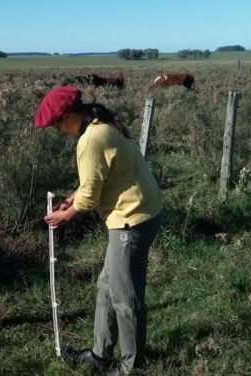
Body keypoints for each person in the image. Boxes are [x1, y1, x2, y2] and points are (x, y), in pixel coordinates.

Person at [34, 86, 164, 375]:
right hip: (142, 210)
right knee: (107, 287)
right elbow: (100, 177)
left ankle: (132, 367)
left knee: (125, 298)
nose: (58, 130)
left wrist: (65, 215)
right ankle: (100, 354)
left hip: (131, 220)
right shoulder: (103, 123)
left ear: (68, 115)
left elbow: (91, 196)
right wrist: (73, 197)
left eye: (57, 124)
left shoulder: (91, 139)